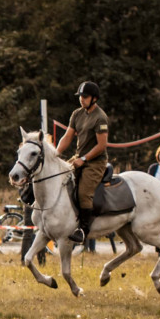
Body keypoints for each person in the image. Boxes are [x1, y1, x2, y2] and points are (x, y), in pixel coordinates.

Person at [55, 81, 109, 244]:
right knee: (58, 178)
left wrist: (84, 159)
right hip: (78, 157)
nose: (81, 99)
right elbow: (67, 137)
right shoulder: (77, 114)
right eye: (80, 97)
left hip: (95, 162)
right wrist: (56, 154)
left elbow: (102, 145)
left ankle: (83, 230)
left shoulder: (100, 117)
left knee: (83, 193)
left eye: (85, 97)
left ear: (94, 98)